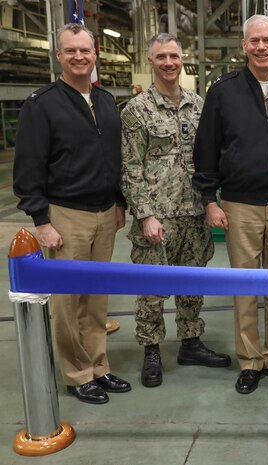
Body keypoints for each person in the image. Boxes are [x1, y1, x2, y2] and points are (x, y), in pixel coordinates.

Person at [193, 15, 268, 395]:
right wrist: (208, 200)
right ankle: (249, 361)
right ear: (243, 46)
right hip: (238, 204)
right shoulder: (222, 91)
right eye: (253, 41)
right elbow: (206, 149)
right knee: (245, 287)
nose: (261, 47)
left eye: (267, 40)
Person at [13, 23, 131, 404]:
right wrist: (41, 222)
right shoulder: (41, 103)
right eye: (71, 51)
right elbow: (29, 167)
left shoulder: (107, 101)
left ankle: (99, 366)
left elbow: (112, 158)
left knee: (97, 299)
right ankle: (77, 374)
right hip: (65, 215)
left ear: (94, 53)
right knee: (67, 303)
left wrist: (118, 202)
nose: (79, 57)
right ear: (59, 56)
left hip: (104, 214)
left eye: (85, 50)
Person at [121, 33, 231, 389]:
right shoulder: (136, 111)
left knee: (191, 283)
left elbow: (210, 159)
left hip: (194, 213)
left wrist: (212, 201)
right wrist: (145, 216)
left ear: (183, 60)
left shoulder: (199, 106)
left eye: (174, 56)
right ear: (150, 61)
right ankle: (151, 348)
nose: (169, 62)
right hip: (157, 216)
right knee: (152, 288)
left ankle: (190, 342)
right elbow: (130, 168)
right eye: (161, 57)